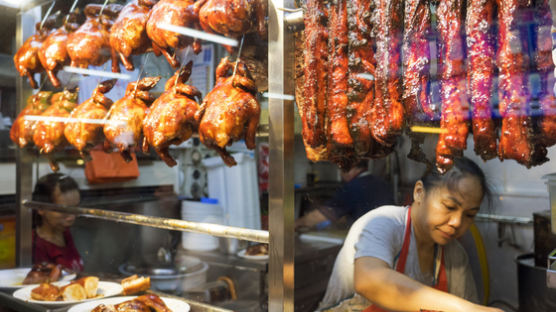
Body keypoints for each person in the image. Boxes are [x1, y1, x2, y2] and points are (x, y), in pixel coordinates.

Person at [318, 157, 503, 312]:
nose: (457, 222)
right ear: (419, 193)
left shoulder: (455, 256)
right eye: (449, 207)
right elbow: (369, 281)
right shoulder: (384, 222)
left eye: (469, 215)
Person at [295, 160, 394, 230]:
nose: (341, 174)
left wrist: (296, 223)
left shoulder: (353, 186)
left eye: (341, 170)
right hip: (388, 236)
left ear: (350, 168)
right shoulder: (381, 183)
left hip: (367, 240)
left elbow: (320, 216)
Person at [32, 173, 84, 272]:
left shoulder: (66, 233)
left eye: (75, 209)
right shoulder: (36, 246)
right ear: (41, 208)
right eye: (63, 210)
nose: (71, 217)